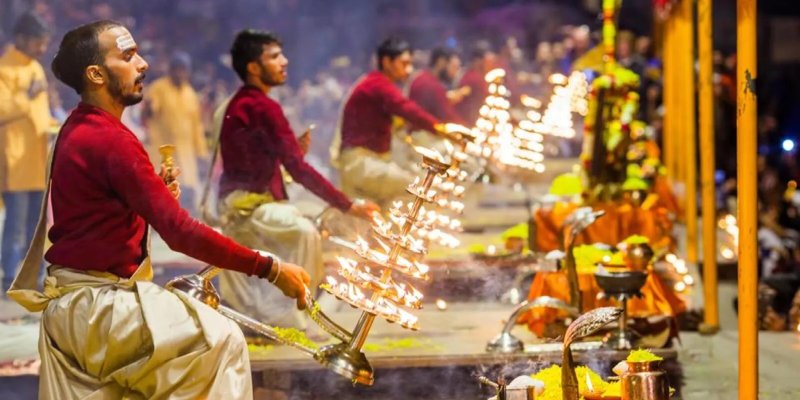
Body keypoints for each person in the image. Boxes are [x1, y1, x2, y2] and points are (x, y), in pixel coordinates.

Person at [6, 20, 309, 399]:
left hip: (75, 313)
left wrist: (149, 195)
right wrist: (270, 267)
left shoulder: (79, 126)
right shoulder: (109, 139)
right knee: (221, 341)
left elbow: (94, 215)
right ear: (96, 74)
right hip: (99, 311)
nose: (144, 63)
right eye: (128, 56)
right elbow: (180, 232)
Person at [216, 29, 379, 330]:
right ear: (253, 67)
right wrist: (348, 205)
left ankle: (285, 312)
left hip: (245, 202)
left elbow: (263, 158)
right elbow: (299, 169)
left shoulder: (244, 103)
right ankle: (290, 318)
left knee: (307, 224)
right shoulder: (262, 106)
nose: (284, 61)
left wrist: (289, 154)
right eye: (275, 56)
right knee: (305, 231)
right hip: (247, 208)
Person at [332, 37, 449, 205]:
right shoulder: (378, 85)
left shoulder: (378, 83)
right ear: (387, 62)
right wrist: (441, 129)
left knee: (385, 214)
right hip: (362, 165)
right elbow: (408, 109)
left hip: (368, 164)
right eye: (404, 63)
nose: (409, 70)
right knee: (416, 188)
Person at [0, 12, 54, 293]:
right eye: (38, 42)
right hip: (15, 160)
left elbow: (40, 115)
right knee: (17, 226)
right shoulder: (4, 69)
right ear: (21, 39)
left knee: (37, 228)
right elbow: (3, 110)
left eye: (44, 43)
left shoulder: (35, 68)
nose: (42, 49)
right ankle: (9, 276)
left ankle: (32, 278)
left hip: (37, 159)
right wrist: (27, 96)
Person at [144, 51, 208, 212]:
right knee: (163, 192)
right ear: (170, 70)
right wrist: (148, 108)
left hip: (186, 155)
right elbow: (150, 112)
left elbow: (196, 127)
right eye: (177, 69)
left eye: (184, 70)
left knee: (187, 193)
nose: (180, 73)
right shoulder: (158, 88)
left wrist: (201, 153)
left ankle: (186, 228)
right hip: (164, 152)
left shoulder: (190, 94)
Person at [407, 46, 464, 124]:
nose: (455, 73)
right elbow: (447, 116)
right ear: (441, 62)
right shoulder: (432, 85)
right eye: (453, 67)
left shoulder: (421, 78)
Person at [455, 41, 495, 125]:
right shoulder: (471, 78)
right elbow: (461, 95)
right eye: (485, 60)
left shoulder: (479, 76)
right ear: (478, 61)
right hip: (469, 122)